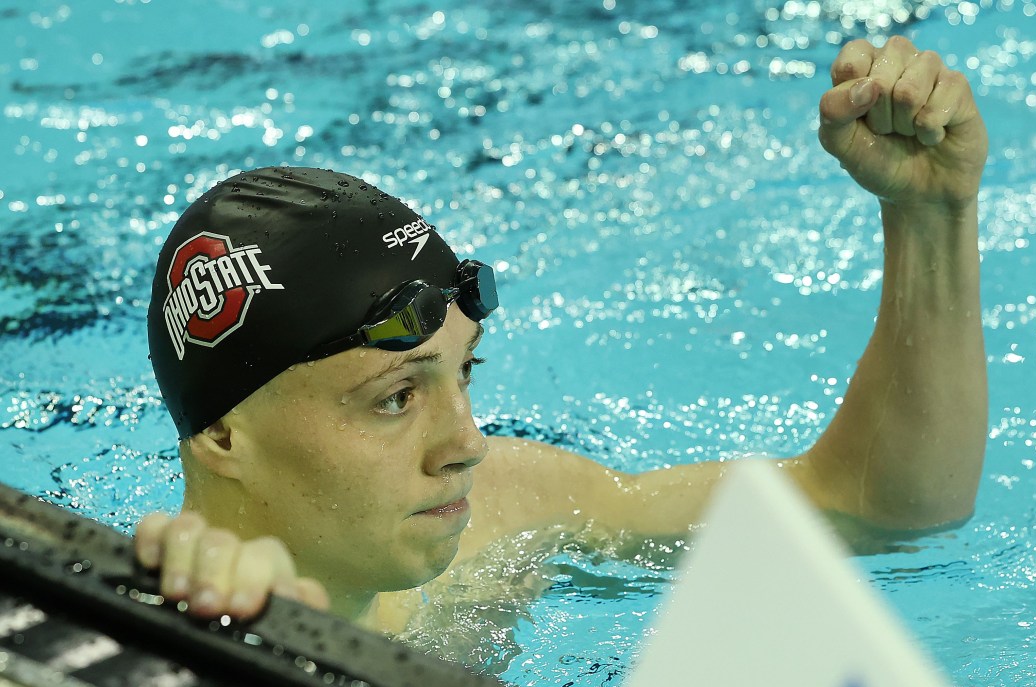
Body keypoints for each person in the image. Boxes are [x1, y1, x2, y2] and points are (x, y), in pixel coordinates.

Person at [134, 37, 989, 633]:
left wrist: (931, 217)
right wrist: (217, 619)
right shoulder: (173, 604)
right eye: (396, 396)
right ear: (221, 432)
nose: (466, 444)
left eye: (463, 374)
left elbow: (878, 511)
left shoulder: (507, 516)